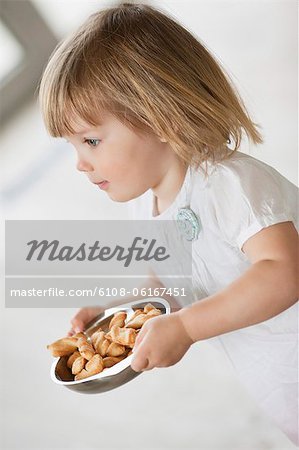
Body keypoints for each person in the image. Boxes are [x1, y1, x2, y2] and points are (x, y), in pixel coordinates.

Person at [38, 2, 298, 444]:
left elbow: (284, 273)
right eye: (73, 146)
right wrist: (117, 312)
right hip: (275, 377)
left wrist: (188, 328)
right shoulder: (148, 203)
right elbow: (177, 282)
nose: (81, 164)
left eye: (92, 140)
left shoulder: (230, 185)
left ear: (159, 117)